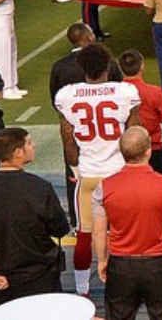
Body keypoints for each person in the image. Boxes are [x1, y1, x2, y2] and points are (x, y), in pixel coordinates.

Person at [54, 43, 141, 297]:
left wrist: (75, 169)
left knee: (84, 234)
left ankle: (82, 290)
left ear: (82, 67)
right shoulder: (125, 91)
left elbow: (67, 139)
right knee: (125, 232)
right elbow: (135, 135)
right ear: (108, 66)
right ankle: (126, 285)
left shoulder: (68, 95)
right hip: (119, 174)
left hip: (89, 174)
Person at [92, 127, 162, 320]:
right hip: (158, 264)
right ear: (148, 151)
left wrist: (102, 260)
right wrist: (160, 210)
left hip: (120, 264)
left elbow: (98, 232)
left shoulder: (104, 186)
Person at [49, 24, 122, 224]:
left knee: (75, 178)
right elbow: (120, 93)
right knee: (112, 176)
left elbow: (55, 102)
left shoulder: (59, 66)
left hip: (75, 131)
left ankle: (78, 219)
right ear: (88, 38)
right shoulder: (108, 63)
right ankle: (114, 217)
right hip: (107, 133)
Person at [0, 128, 70, 306]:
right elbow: (60, 229)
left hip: (2, 279)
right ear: (18, 152)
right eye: (29, 142)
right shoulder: (39, 187)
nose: (34, 145)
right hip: (40, 276)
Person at [118, 50, 162, 177]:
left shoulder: (115, 92)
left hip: (123, 150)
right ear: (142, 67)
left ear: (121, 68)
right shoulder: (153, 92)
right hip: (152, 149)